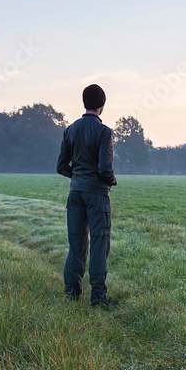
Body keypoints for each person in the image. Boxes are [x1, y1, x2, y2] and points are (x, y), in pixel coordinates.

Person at [56, 84, 118, 308]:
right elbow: (104, 168)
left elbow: (61, 166)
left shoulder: (70, 129)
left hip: (75, 193)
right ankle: (98, 298)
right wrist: (111, 180)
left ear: (84, 103)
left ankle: (71, 294)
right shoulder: (104, 132)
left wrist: (79, 178)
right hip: (97, 195)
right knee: (100, 243)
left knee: (76, 244)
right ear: (102, 105)